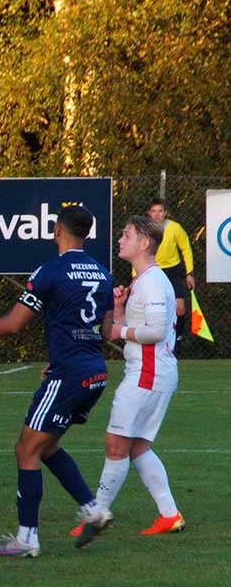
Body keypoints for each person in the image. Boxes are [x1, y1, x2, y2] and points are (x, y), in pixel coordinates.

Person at [0, 206, 115, 557]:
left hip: (67, 375)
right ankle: (93, 510)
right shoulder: (104, 274)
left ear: (57, 230)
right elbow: (104, 331)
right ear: (86, 233)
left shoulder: (50, 271)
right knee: (47, 447)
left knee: (25, 450)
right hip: (95, 372)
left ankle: (27, 539)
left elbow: (13, 325)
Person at [72, 216, 185, 539]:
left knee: (116, 443)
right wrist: (120, 310)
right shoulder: (144, 280)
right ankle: (169, 514)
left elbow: (156, 331)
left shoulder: (151, 282)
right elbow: (139, 327)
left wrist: (118, 329)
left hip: (147, 373)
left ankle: (97, 516)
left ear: (144, 243)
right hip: (153, 371)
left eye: (126, 235)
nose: (120, 240)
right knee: (137, 447)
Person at [146, 198, 195, 351]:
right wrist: (135, 275)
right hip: (152, 271)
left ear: (166, 213)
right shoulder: (144, 230)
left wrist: (189, 272)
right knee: (151, 308)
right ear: (149, 213)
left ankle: (176, 346)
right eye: (154, 211)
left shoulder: (175, 228)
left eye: (160, 211)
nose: (157, 214)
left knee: (179, 308)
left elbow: (186, 248)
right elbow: (139, 252)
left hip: (173, 271)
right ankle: (152, 344)